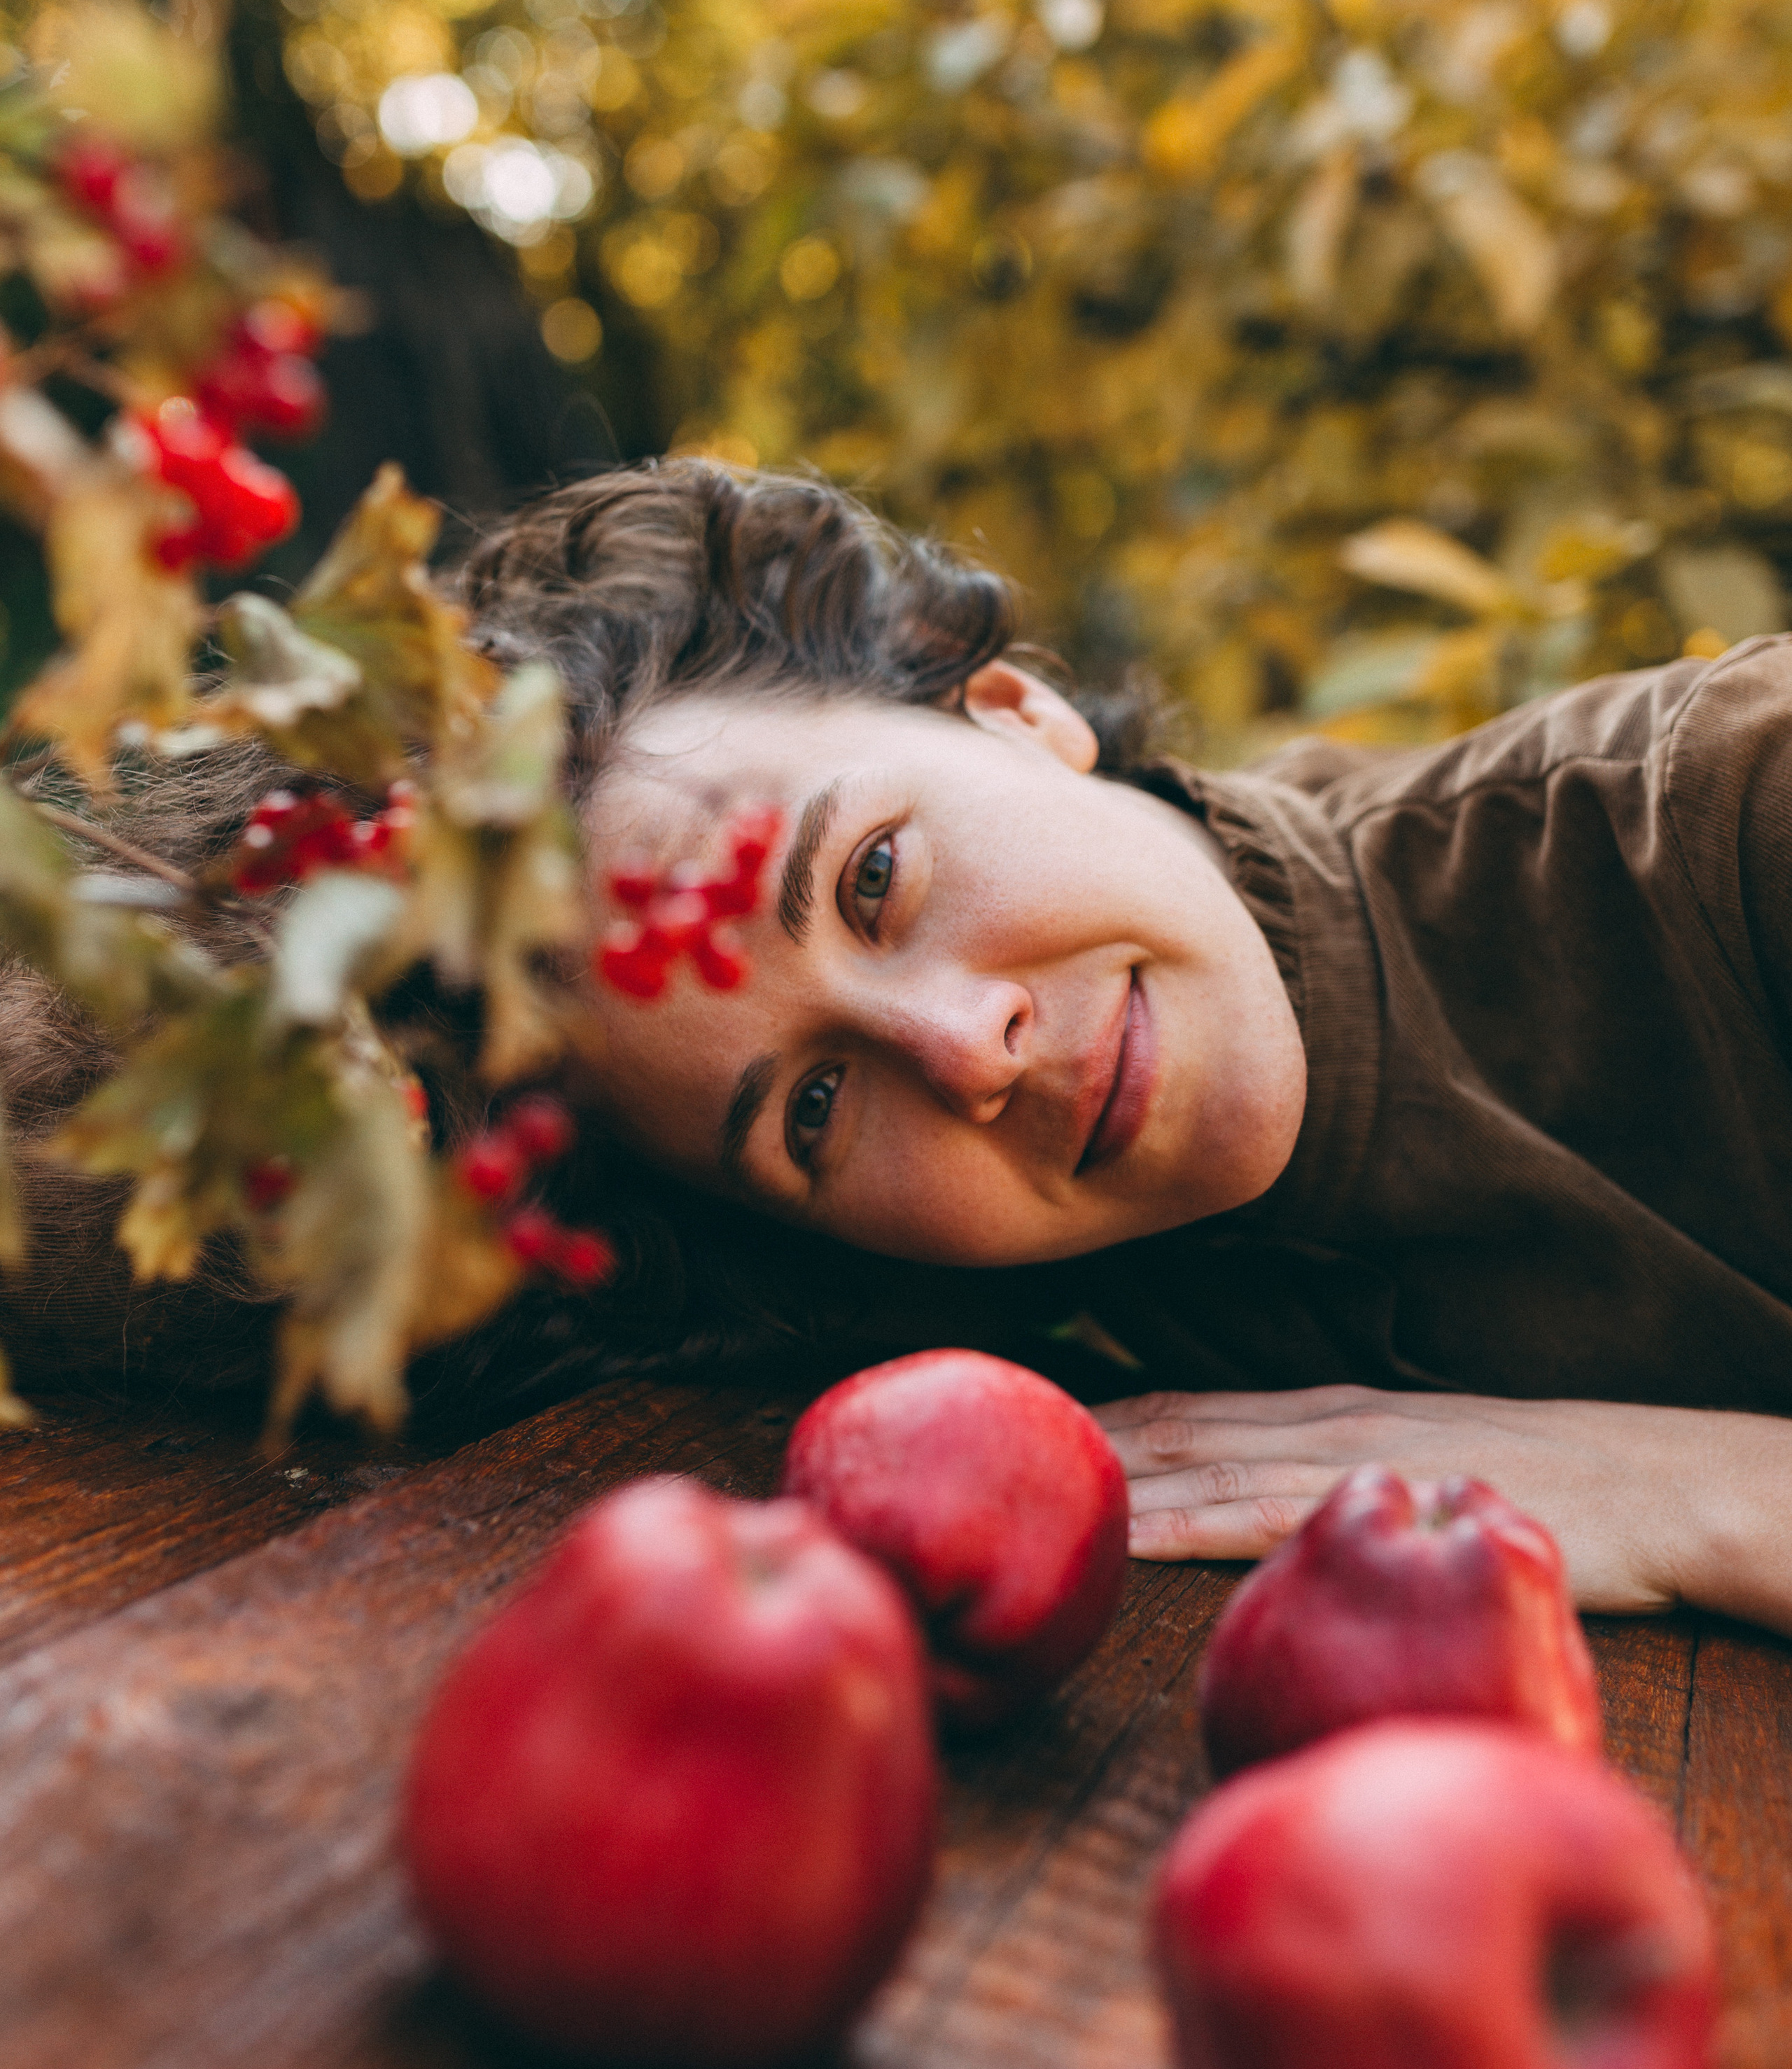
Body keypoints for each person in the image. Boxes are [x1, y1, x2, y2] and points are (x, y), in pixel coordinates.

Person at [6, 458, 1792, 1638]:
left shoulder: (1728, 817)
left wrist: (1689, 1493)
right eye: (809, 1109)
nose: (966, 1054)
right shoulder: (960, 1315)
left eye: (871, 877)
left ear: (1011, 713)